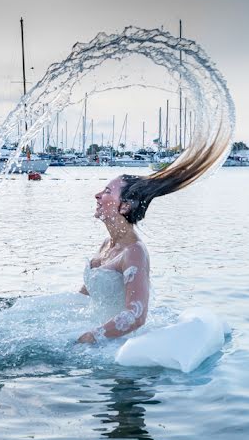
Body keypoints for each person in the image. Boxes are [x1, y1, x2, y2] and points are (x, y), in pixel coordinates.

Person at [76, 135, 229, 345]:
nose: (97, 195)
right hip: (90, 328)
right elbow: (84, 297)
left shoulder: (134, 251)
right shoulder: (106, 245)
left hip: (116, 343)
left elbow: (136, 315)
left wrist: (91, 336)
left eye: (107, 191)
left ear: (124, 206)